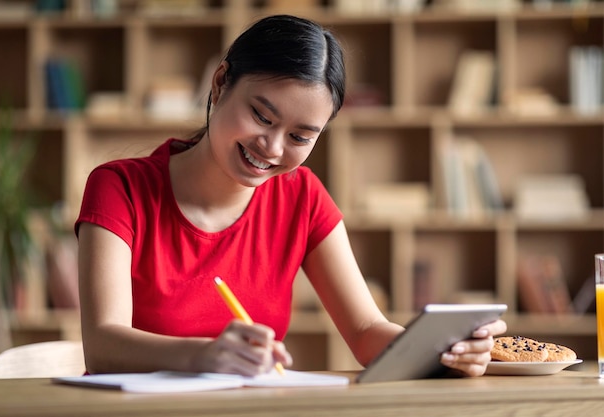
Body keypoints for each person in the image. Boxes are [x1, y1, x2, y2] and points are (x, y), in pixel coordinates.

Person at [76, 14, 506, 377]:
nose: (273, 148)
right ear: (221, 82)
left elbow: (365, 330)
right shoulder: (120, 188)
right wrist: (203, 355)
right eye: (262, 116)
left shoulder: (301, 197)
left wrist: (441, 352)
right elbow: (102, 343)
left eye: (300, 136)